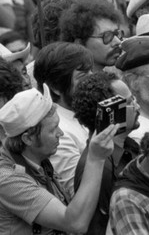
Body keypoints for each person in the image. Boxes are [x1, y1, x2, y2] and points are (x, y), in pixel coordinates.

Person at [0, 84, 119, 234]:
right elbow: (75, 223)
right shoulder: (8, 180)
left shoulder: (37, 159)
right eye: (53, 129)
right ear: (28, 138)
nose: (61, 133)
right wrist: (95, 159)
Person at [72, 72, 141, 235]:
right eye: (130, 102)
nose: (137, 107)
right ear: (110, 112)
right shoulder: (98, 167)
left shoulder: (130, 146)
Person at [33, 42, 93, 194]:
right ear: (55, 87)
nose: (93, 80)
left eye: (91, 72)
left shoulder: (85, 111)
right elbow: (78, 192)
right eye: (83, 76)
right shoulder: (59, 130)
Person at [59, 0, 123, 72]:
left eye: (117, 34)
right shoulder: (74, 83)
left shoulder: (117, 77)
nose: (117, 42)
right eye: (107, 36)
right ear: (79, 44)